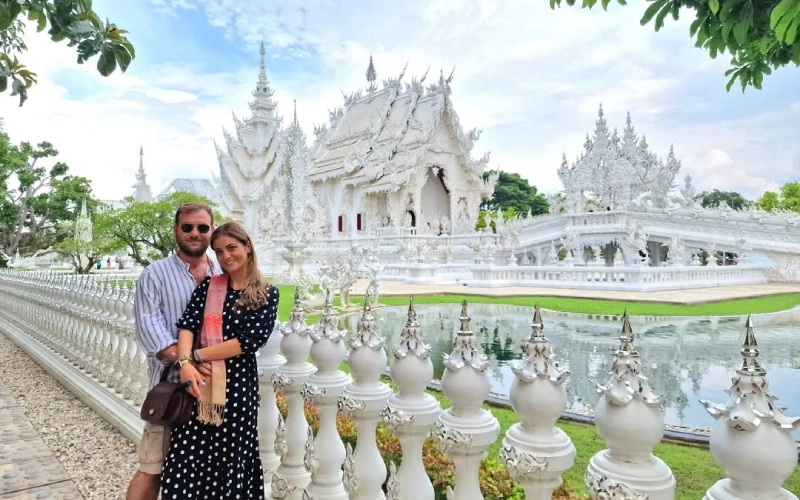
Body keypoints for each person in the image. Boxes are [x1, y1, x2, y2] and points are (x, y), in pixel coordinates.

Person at [161, 221, 279, 499]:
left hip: (237, 391)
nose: (226, 256)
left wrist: (197, 355)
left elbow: (247, 342)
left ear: (247, 247)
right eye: (219, 251)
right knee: (187, 458)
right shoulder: (210, 287)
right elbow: (187, 325)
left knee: (231, 460)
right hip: (199, 386)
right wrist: (186, 364)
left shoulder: (265, 294)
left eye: (232, 248)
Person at [126, 202, 221, 500]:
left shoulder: (222, 271)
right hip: (171, 389)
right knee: (153, 467)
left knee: (205, 471)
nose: (195, 233)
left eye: (202, 228)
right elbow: (151, 331)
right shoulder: (155, 274)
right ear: (176, 230)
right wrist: (188, 362)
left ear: (212, 231)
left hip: (213, 387)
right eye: (188, 227)